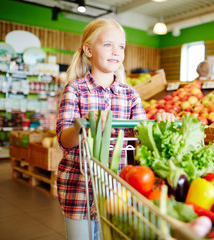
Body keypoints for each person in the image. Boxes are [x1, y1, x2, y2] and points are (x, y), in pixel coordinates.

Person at [56, 18, 174, 240]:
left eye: (121, 46)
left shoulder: (130, 94)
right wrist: (84, 126)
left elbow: (141, 136)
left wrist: (160, 124)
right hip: (79, 186)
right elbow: (64, 139)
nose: (115, 51)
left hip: (118, 186)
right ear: (88, 50)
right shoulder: (75, 90)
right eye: (107, 45)